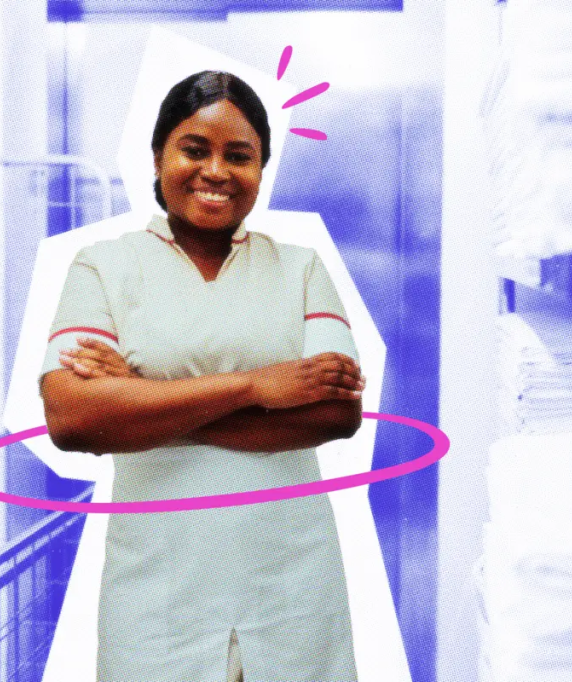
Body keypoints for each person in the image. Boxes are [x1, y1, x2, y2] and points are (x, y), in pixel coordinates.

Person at [39, 71, 364, 682]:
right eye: (195, 149)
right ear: (160, 155)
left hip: (289, 586)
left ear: (261, 169)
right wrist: (256, 387)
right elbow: (74, 419)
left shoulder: (300, 269)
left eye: (239, 156)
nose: (216, 171)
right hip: (159, 596)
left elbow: (335, 413)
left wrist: (141, 400)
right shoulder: (102, 268)